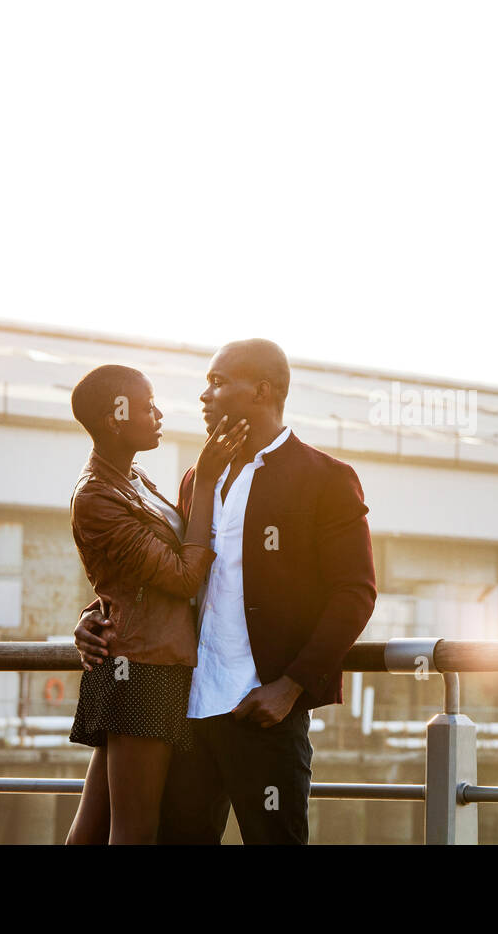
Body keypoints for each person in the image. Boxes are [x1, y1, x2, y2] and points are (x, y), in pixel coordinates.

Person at [73, 339, 377, 844]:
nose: (203, 396)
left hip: (264, 711)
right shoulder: (199, 478)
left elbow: (356, 593)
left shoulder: (325, 479)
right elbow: (158, 569)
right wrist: (98, 613)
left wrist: (291, 686)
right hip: (185, 710)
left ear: (260, 391)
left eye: (217, 383)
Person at [64, 363, 248, 844]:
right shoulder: (97, 496)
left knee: (98, 821)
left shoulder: (134, 478)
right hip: (142, 672)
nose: (160, 413)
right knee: (134, 830)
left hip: (145, 660)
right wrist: (205, 481)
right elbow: (185, 577)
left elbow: (127, 578)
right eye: (147, 408)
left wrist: (94, 611)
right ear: (114, 418)